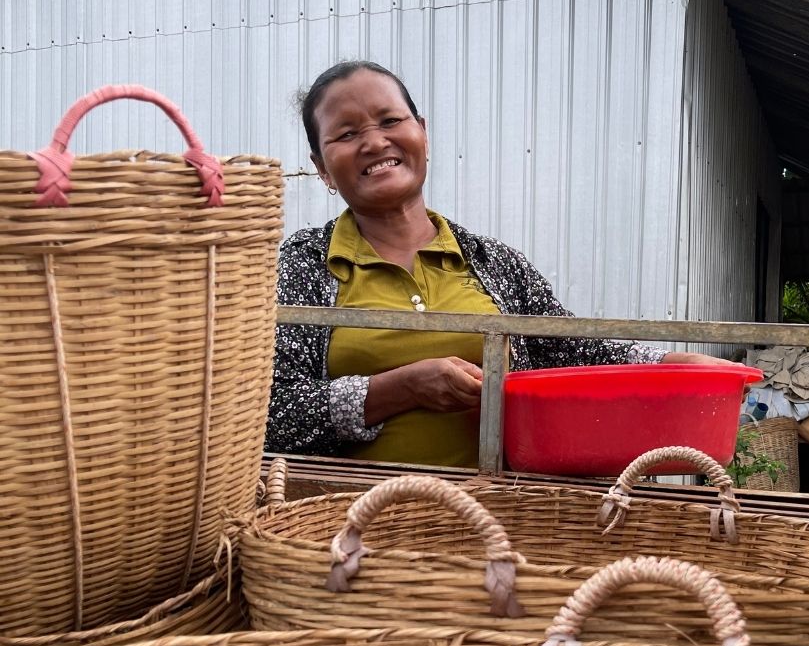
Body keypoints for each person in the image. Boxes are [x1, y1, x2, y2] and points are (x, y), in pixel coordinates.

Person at [266, 60, 738, 467]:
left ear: (422, 133)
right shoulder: (301, 266)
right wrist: (402, 387)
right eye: (347, 134)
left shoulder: (494, 263)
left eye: (389, 120)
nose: (373, 142)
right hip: (347, 523)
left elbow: (574, 351)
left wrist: (677, 363)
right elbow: (268, 418)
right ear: (322, 167)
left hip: (499, 521)